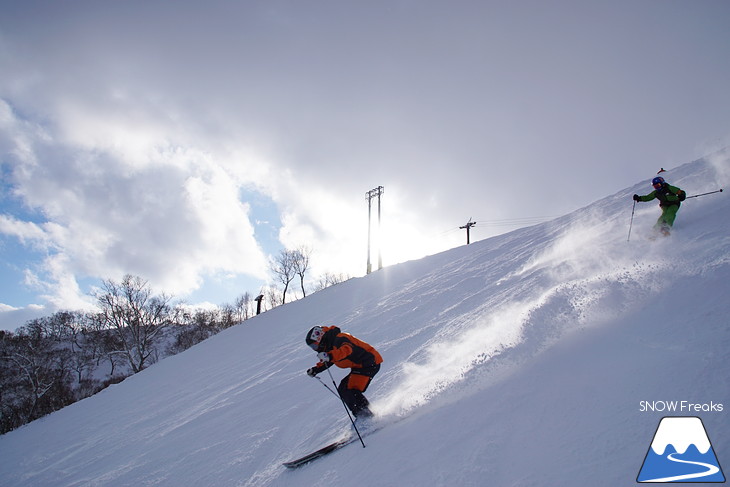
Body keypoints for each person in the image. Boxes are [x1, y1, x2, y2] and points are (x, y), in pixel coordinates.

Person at [305, 325, 383, 419]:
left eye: (314, 345)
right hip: (359, 366)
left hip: (369, 363)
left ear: (319, 338)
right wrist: (315, 369)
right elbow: (329, 360)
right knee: (343, 388)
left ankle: (366, 417)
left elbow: (346, 350)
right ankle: (364, 416)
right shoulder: (329, 347)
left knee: (349, 390)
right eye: (312, 347)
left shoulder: (340, 338)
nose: (315, 349)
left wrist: (329, 356)